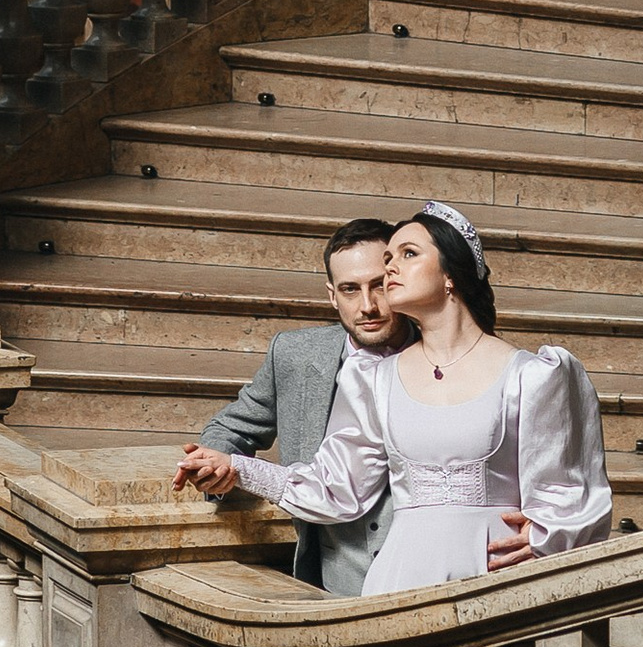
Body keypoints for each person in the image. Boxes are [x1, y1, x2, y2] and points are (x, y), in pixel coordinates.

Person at [174, 203, 610, 592]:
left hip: (498, 575)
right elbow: (337, 486)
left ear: (451, 274)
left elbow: (566, 492)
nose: (389, 273)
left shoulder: (535, 375)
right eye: (388, 259)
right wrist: (238, 467)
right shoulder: (374, 379)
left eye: (407, 255)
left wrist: (550, 537)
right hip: (399, 578)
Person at [189, 216, 400, 595]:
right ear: (332, 295)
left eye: (379, 286)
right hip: (331, 582)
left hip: (422, 575)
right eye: (350, 290)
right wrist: (217, 471)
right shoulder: (295, 355)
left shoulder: (445, 355)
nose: (367, 306)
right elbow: (230, 428)